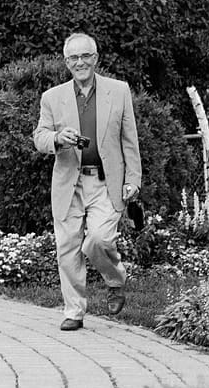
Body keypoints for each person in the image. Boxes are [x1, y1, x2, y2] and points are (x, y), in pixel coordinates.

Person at [33, 33, 140, 332]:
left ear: (95, 58)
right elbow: (39, 137)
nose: (80, 62)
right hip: (69, 183)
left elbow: (129, 140)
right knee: (67, 248)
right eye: (74, 58)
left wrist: (133, 179)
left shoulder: (118, 91)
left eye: (85, 56)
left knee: (99, 240)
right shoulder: (52, 97)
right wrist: (56, 138)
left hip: (106, 182)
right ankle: (74, 311)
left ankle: (115, 280)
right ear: (67, 63)